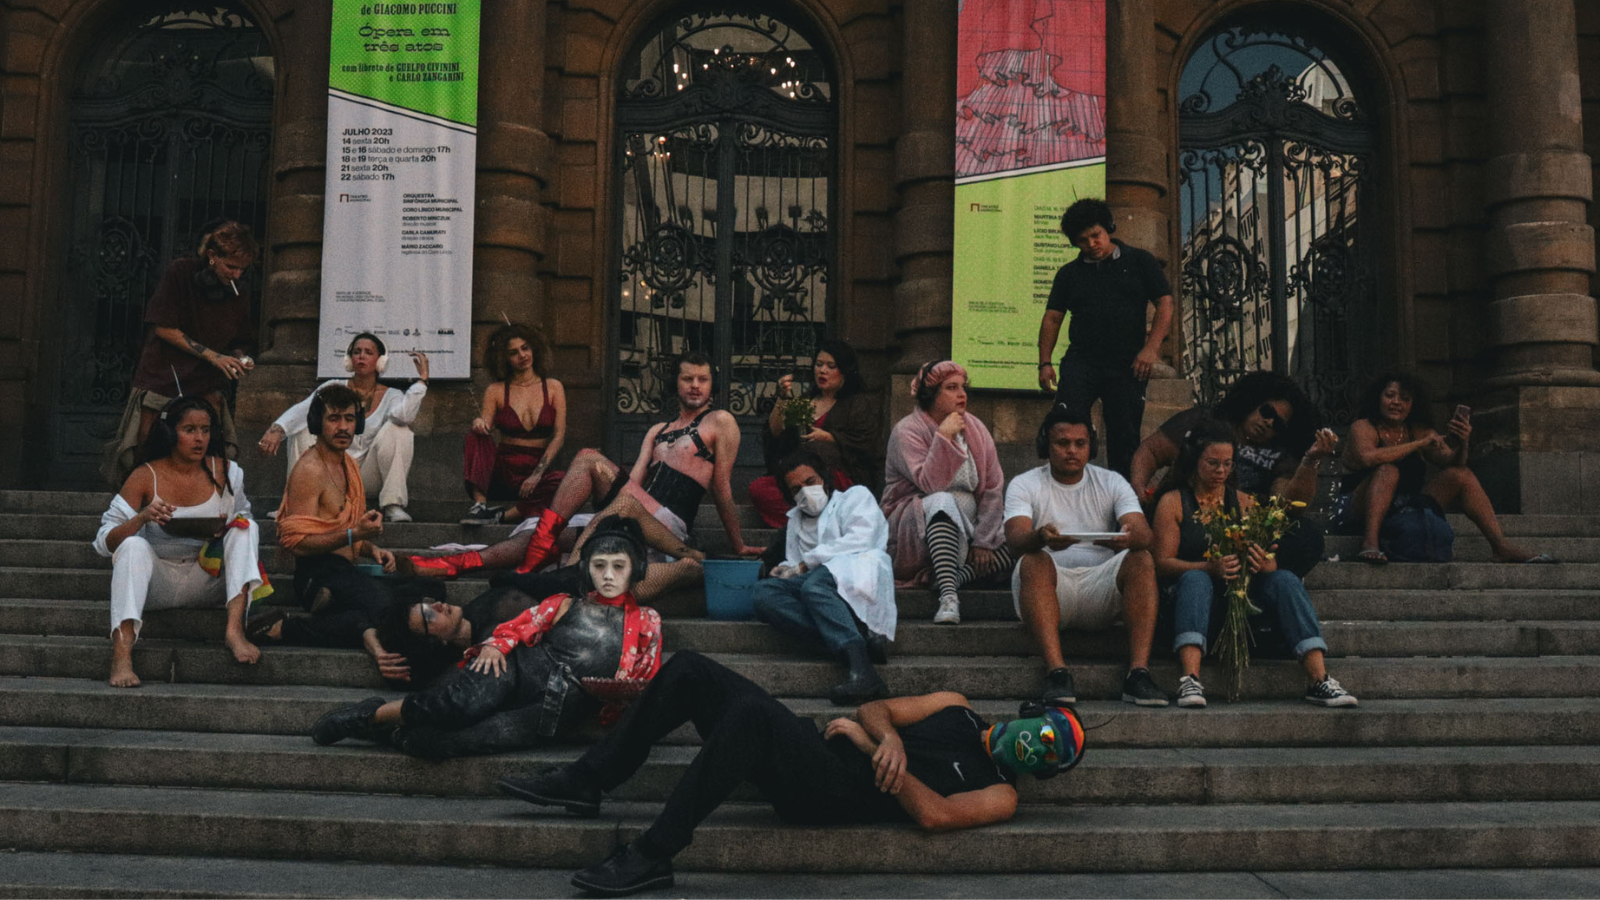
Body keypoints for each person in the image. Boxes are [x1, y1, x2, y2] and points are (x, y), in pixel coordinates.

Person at [496, 650, 1083, 897]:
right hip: (819, 747)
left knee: (751, 713)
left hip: (833, 792)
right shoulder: (957, 704)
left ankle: (655, 851)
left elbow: (936, 815)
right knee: (691, 670)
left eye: (1053, 755)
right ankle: (590, 779)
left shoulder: (1001, 792)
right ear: (1032, 715)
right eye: (1048, 733)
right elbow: (876, 709)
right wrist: (888, 740)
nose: (1041, 748)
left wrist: (884, 763)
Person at [309, 517, 663, 759]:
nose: (609, 575)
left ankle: (388, 730)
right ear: (587, 568)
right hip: (512, 668)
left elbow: (645, 677)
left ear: (637, 571)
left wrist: (618, 701)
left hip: (551, 710)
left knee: (440, 744)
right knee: (462, 705)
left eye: (619, 566)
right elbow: (521, 624)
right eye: (600, 565)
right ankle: (370, 715)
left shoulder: (647, 622)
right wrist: (496, 645)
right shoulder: (564, 603)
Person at [408, 352, 758, 583]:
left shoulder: (720, 421)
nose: (695, 385)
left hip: (666, 527)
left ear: (712, 385)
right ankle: (455, 566)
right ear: (676, 384)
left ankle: (535, 555)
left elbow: (722, 487)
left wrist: (738, 544)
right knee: (545, 537)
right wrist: (609, 505)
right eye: (687, 379)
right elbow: (633, 485)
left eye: (703, 379)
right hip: (631, 513)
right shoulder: (658, 431)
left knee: (589, 457)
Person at [1151, 423, 1358, 708]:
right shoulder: (1174, 502)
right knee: (1195, 580)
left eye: (1226, 464)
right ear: (1194, 461)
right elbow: (1162, 564)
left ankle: (1319, 679)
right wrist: (1208, 568)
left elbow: (1273, 548)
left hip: (1239, 602)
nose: (1221, 471)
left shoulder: (1244, 502)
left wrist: (1264, 563)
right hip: (1190, 603)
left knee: (1285, 579)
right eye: (1212, 463)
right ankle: (1190, 678)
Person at [92, 395, 266, 688]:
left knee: (246, 526)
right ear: (172, 433)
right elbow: (102, 543)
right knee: (133, 546)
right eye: (189, 430)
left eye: (206, 430)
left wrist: (224, 527)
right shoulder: (145, 475)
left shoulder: (227, 471)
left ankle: (235, 630)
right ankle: (122, 655)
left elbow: (243, 524)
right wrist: (142, 518)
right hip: (158, 582)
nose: (200, 439)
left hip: (207, 577)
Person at [1005, 405, 1168, 708]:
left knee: (1142, 559)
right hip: (1048, 585)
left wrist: (1129, 537)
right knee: (1033, 560)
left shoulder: (1111, 481)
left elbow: (1147, 536)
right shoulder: (1025, 483)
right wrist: (1041, 537)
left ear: (1091, 447)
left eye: (1080, 444)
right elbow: (1014, 539)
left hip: (1101, 585)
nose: (1071, 451)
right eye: (1062, 443)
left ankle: (1138, 674)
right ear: (1045, 446)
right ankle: (1057, 673)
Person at [1130, 371, 1337, 577]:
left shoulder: (1280, 454)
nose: (1269, 423)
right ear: (1251, 401)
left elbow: (1287, 504)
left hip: (1247, 533)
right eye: (1267, 412)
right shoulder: (1204, 422)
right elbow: (1151, 451)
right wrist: (1137, 490)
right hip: (1192, 521)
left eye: (1279, 424)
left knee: (1306, 534)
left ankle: (1255, 582)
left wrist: (1310, 461)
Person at [1335, 372, 1552, 564]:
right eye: (1390, 396)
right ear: (1378, 398)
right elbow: (1367, 458)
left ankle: (1500, 546)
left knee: (1461, 475)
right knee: (1388, 470)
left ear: (1413, 404)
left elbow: (1453, 463)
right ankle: (1370, 542)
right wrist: (1418, 445)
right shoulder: (1363, 427)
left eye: (1405, 398)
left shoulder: (1418, 430)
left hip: (1404, 509)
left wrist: (1463, 442)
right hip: (1358, 507)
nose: (1396, 403)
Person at [105, 221, 261, 485]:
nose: (236, 275)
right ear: (212, 256)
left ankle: (199, 495)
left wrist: (240, 357)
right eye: (230, 267)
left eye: (242, 269)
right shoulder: (181, 272)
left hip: (205, 379)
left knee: (211, 443)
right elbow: (164, 329)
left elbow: (240, 340)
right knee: (145, 443)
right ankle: (141, 496)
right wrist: (213, 356)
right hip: (164, 372)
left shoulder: (237, 292)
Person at [1035, 198, 1174, 477]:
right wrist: (1044, 362)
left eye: (1096, 235)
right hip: (1081, 361)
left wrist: (1151, 349)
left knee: (1125, 438)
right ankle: (1065, 491)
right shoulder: (1069, 274)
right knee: (1066, 425)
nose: (1092, 244)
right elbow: (1052, 318)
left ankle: (1125, 506)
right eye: (1083, 240)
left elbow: (1165, 304)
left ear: (1108, 228)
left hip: (1128, 363)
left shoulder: (1140, 261)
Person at [273, 384, 404, 679]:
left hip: (345, 569)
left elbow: (350, 528)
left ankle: (340, 611)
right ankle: (289, 628)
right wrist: (354, 536)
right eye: (334, 419)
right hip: (314, 574)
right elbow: (295, 542)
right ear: (317, 422)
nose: (343, 427)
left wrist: (373, 550)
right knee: (386, 608)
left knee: (425, 590)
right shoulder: (310, 470)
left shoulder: (347, 464)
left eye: (349, 418)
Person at [751, 450, 897, 705]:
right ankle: (859, 645)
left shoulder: (855, 497)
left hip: (858, 568)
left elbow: (862, 538)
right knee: (764, 594)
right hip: (816, 582)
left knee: (814, 585)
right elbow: (795, 558)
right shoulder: (795, 520)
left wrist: (806, 565)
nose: (805, 491)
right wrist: (784, 570)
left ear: (824, 478)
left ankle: (863, 673)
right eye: (796, 489)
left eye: (810, 481)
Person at [882, 360, 1014, 625]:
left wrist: (984, 542)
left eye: (963, 387)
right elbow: (930, 484)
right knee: (942, 501)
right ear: (931, 394)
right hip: (916, 522)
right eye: (951, 388)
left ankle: (958, 576)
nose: (962, 394)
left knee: (1019, 535)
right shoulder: (907, 431)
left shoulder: (975, 427)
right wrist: (943, 438)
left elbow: (992, 487)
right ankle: (949, 596)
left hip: (971, 526)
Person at [258, 333, 429, 523]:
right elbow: (303, 410)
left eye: (368, 352)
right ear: (349, 359)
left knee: (399, 430)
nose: (361, 356)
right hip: (329, 473)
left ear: (380, 361)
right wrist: (276, 430)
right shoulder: (334, 386)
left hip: (367, 476)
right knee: (303, 428)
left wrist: (421, 381)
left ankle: (393, 505)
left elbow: (404, 415)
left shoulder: (392, 395)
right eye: (356, 352)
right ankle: (294, 505)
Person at [749, 339, 881, 528]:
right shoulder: (807, 400)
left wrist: (830, 438)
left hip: (835, 477)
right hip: (801, 477)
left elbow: (866, 444)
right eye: (819, 365)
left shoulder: (858, 404)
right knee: (759, 490)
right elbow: (776, 432)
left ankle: (819, 523)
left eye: (830, 366)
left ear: (844, 370)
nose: (822, 371)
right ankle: (815, 524)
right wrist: (782, 398)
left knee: (825, 492)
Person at [462, 323, 567, 525]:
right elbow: (485, 425)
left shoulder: (553, 387)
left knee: (563, 480)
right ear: (504, 358)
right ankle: (480, 506)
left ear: (534, 348)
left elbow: (559, 436)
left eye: (525, 348)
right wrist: (478, 423)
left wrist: (537, 475)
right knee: (475, 435)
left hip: (536, 470)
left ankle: (502, 516)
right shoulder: (496, 390)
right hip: (503, 471)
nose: (522, 355)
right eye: (513, 352)